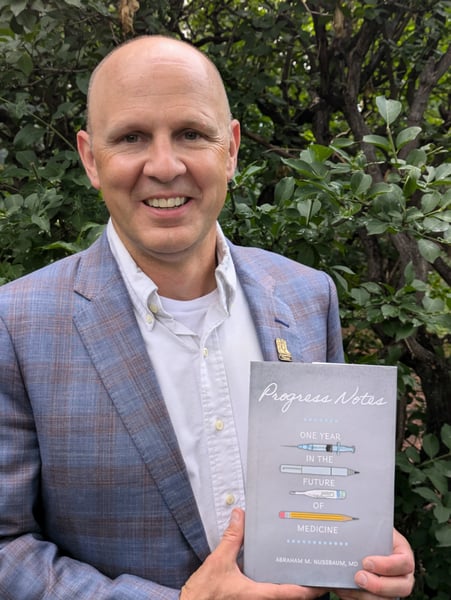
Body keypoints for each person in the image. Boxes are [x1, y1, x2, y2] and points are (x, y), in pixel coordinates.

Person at [0, 35, 414, 600]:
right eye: (131, 138)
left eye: (192, 134)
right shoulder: (16, 324)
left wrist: (358, 561)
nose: (165, 166)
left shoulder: (307, 295)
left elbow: (328, 490)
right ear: (91, 158)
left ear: (232, 148)